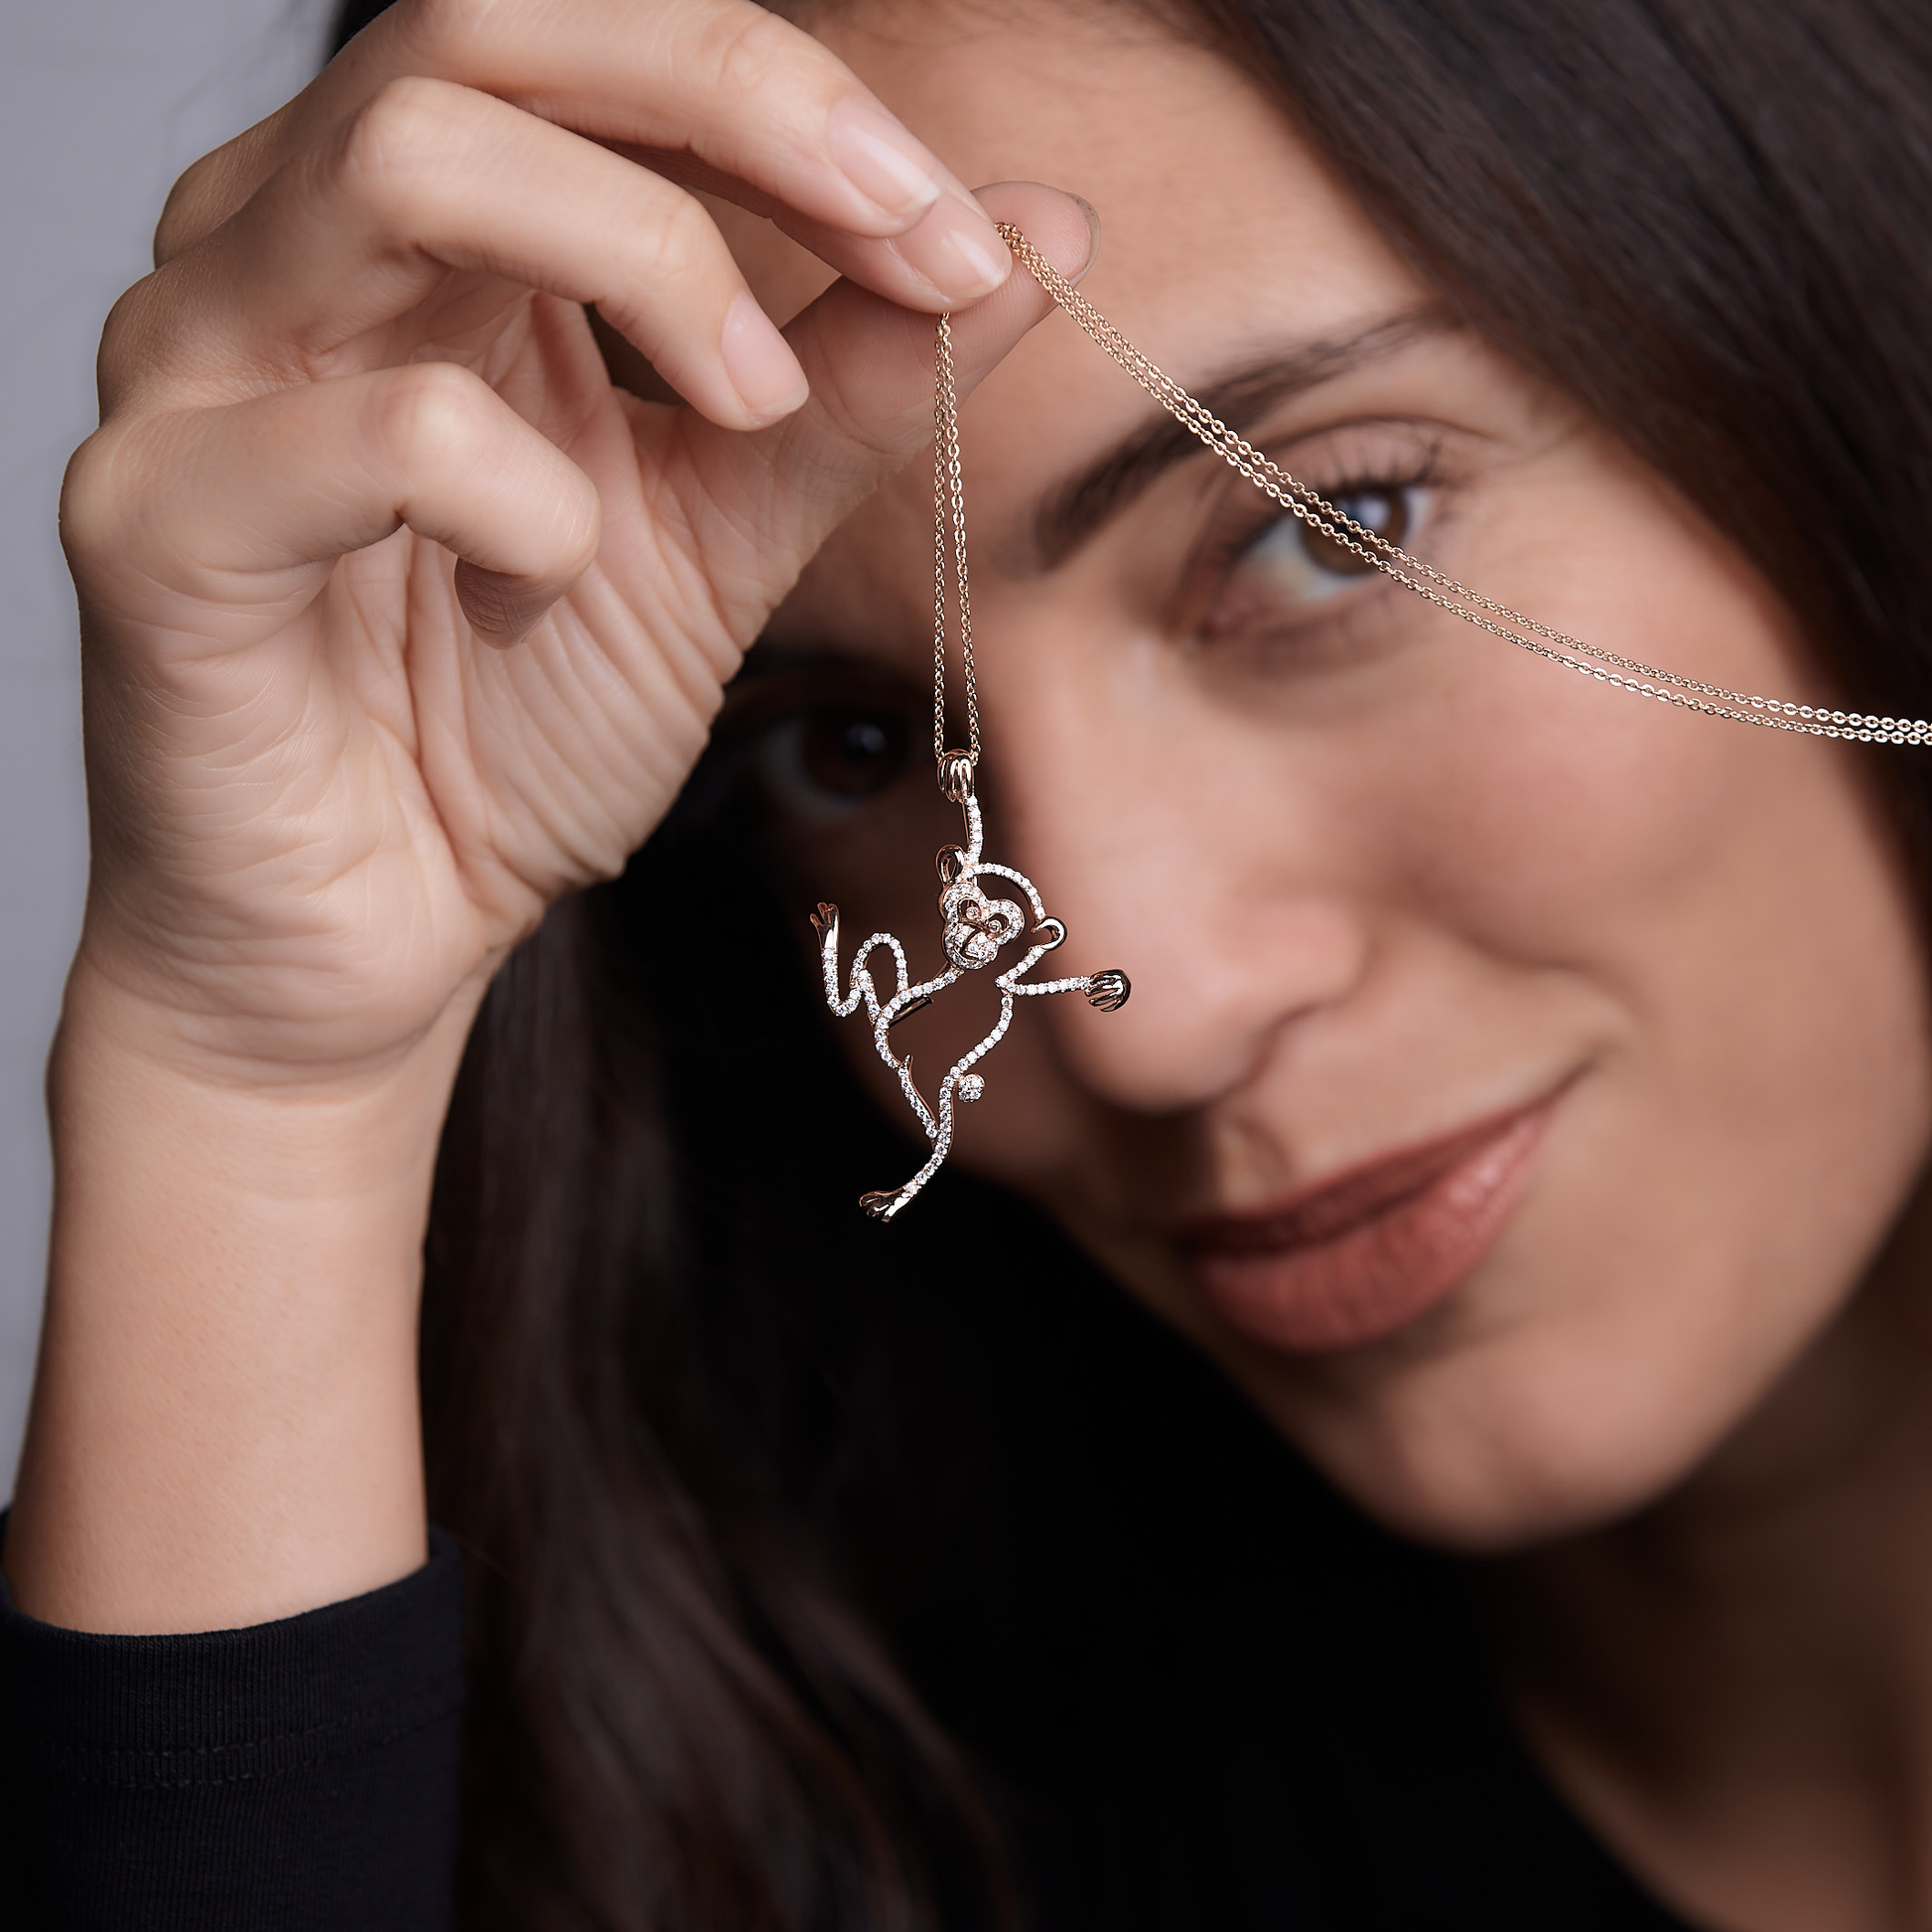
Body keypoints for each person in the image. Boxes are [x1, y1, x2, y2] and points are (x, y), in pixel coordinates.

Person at [6, 0, 1932, 1925]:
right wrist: (256, 1089)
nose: (1146, 1019)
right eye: (844, 750)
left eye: (1334, 532)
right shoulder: (878, 1808)